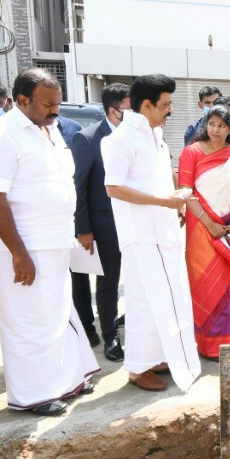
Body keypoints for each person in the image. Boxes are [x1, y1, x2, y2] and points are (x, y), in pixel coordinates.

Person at [0, 69, 100, 415]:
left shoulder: (50, 129)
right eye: (48, 104)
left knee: (57, 314)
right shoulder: (0, 135)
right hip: (26, 247)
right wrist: (19, 253)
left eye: (57, 103)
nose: (56, 111)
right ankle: (33, 395)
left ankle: (64, 381)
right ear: (22, 100)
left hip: (56, 241)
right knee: (27, 321)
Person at [103, 74, 203, 392]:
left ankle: (159, 356)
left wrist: (177, 204)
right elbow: (114, 187)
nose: (170, 110)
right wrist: (166, 201)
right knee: (143, 301)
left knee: (168, 296)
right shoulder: (121, 140)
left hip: (164, 230)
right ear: (146, 106)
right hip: (141, 234)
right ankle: (137, 368)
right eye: (166, 104)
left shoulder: (155, 135)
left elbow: (159, 178)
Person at [179, 104, 230, 359]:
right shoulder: (191, 152)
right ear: (205, 124)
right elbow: (185, 192)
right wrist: (209, 223)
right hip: (202, 230)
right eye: (211, 124)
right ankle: (208, 345)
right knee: (206, 286)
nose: (215, 129)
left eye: (222, 125)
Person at [72, 83, 130, 361]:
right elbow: (79, 187)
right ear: (113, 111)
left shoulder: (139, 136)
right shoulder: (88, 138)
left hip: (136, 222)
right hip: (105, 226)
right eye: (130, 110)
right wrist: (83, 229)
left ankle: (130, 324)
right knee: (108, 283)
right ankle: (110, 336)